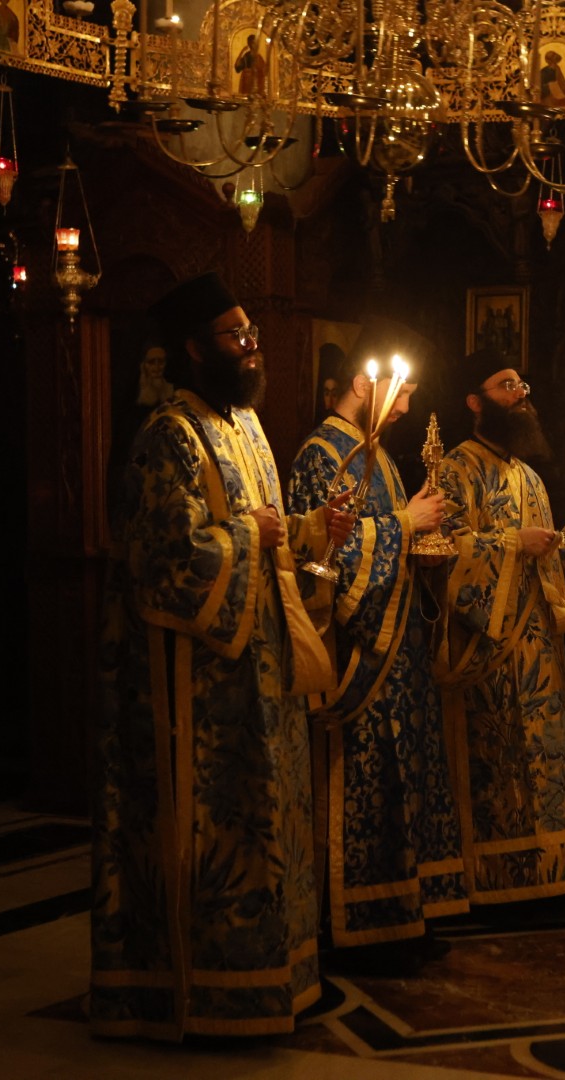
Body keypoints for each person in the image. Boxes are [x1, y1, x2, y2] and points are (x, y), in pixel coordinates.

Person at [90, 272, 354, 1040]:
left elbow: (270, 535)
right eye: (235, 336)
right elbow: (161, 560)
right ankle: (203, 992)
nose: (250, 347)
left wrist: (312, 529)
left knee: (269, 825)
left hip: (258, 674)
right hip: (194, 690)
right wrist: (250, 535)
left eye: (252, 334)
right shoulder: (167, 436)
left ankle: (273, 981)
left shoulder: (247, 427)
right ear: (194, 349)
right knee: (215, 831)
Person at [286, 354, 468, 972]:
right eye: (399, 392)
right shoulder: (321, 455)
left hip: (400, 651)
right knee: (363, 784)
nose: (405, 408)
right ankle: (356, 925)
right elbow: (325, 556)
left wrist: (425, 547)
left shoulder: (379, 455)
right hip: (359, 657)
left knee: (402, 782)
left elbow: (390, 540)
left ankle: (401, 914)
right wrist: (404, 524)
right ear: (364, 383)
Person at [432, 351, 565, 911]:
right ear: (475, 401)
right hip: (491, 647)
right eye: (505, 385)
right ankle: (502, 884)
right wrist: (514, 544)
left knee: (546, 759)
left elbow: (546, 550)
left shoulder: (529, 476)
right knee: (503, 765)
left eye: (522, 385)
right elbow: (444, 551)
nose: (520, 394)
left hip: (540, 649)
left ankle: (554, 873)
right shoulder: (455, 469)